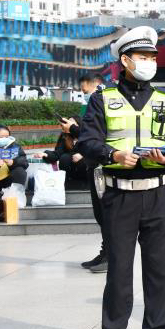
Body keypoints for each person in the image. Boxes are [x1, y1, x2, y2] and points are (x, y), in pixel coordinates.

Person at [77, 26, 165, 329]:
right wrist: (113, 155)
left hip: (157, 193)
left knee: (159, 268)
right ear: (125, 60)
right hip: (119, 194)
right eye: (143, 56)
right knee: (119, 268)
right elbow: (87, 141)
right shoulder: (102, 99)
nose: (149, 62)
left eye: (152, 56)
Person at [33, 115, 108, 273]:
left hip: (102, 173)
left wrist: (79, 145)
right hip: (92, 173)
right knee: (100, 216)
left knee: (106, 217)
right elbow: (58, 153)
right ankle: (105, 253)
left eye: (71, 123)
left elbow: (96, 145)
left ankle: (110, 257)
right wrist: (46, 154)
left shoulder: (90, 128)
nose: (67, 125)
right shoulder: (65, 137)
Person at [0, 125, 28, 191]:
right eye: (1, 137)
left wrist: (13, 162)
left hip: (8, 177)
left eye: (6, 137)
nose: (4, 139)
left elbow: (24, 161)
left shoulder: (15, 146)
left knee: (19, 171)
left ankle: (15, 193)